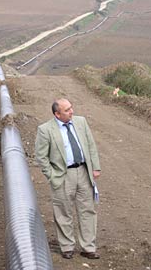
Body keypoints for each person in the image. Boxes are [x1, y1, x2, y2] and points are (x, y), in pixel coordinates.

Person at [35, 98, 101, 259]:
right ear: (57, 114)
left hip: (83, 171)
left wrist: (95, 167)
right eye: (67, 110)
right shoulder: (45, 130)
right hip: (63, 174)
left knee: (87, 209)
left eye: (71, 108)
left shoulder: (80, 122)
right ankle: (67, 247)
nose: (72, 111)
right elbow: (41, 156)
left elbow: (90, 145)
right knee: (63, 211)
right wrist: (52, 175)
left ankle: (88, 247)